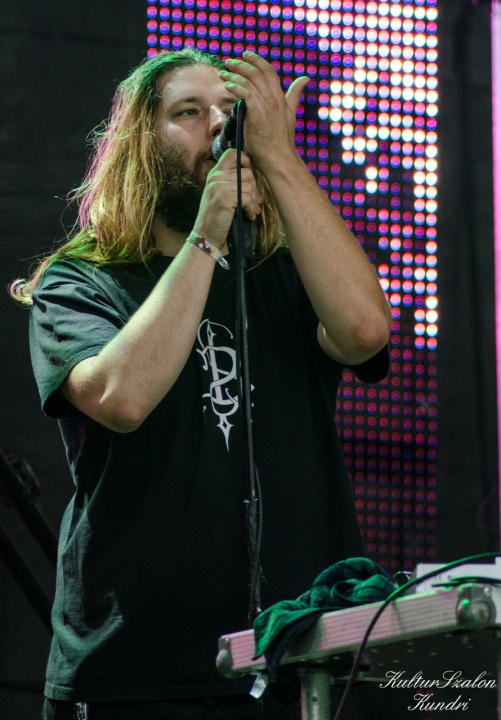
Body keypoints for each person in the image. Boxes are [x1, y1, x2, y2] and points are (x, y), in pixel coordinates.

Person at [13, 49, 391, 719]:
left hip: (297, 657)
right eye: (189, 112)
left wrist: (280, 158)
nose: (218, 127)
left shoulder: (287, 271)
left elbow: (365, 332)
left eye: (229, 113)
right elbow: (121, 399)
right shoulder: (81, 281)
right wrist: (207, 236)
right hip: (137, 671)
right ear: (142, 144)